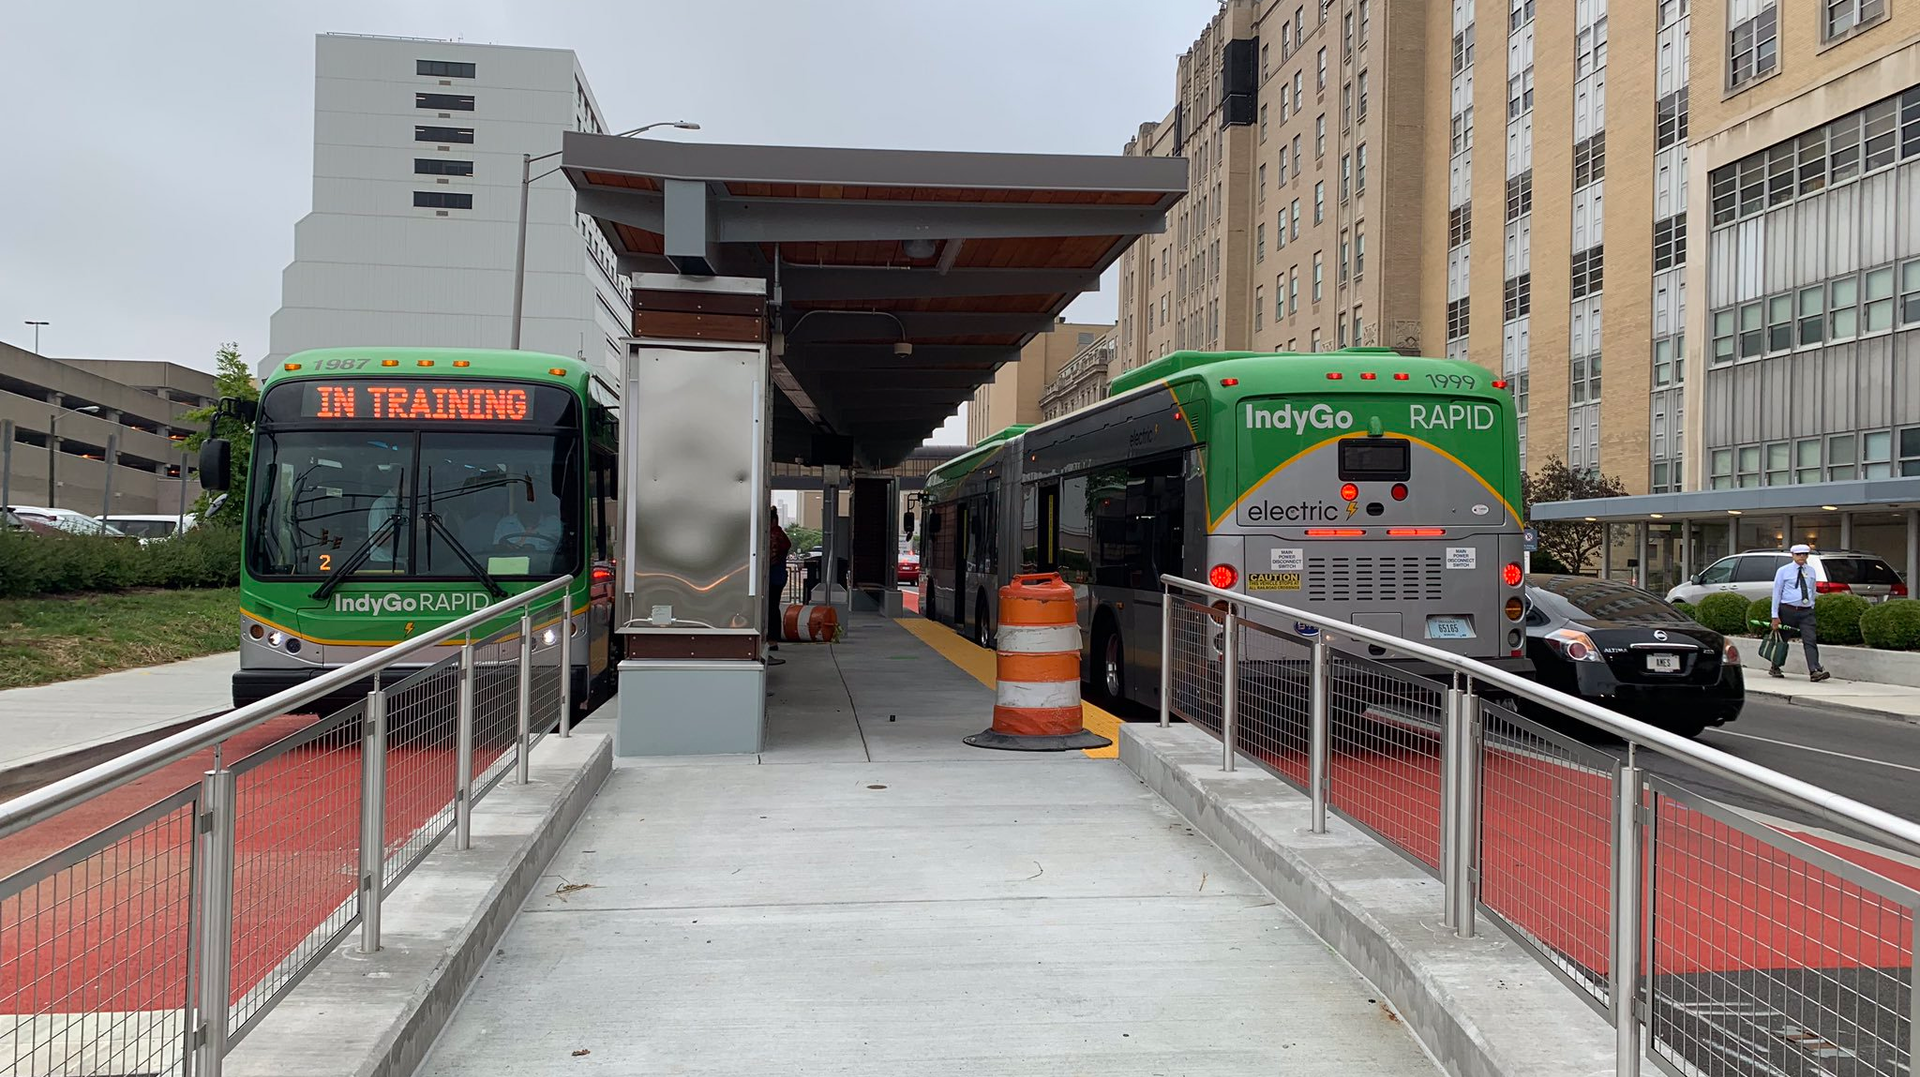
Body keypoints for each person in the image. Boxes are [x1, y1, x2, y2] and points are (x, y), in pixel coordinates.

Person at [1769, 544, 1831, 682]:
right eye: (1799, 554)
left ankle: (1814, 670)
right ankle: (1775, 666)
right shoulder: (1783, 571)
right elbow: (1777, 593)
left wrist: (1811, 605)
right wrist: (1775, 615)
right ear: (1793, 555)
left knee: (1810, 640)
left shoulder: (1811, 571)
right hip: (1788, 610)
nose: (1802, 557)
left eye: (1805, 554)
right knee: (1782, 640)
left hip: (1806, 611)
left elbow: (1812, 589)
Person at [768, 506, 791, 658]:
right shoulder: (780, 535)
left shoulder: (773, 536)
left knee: (770, 608)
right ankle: (773, 639)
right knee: (773, 607)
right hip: (779, 577)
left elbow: (770, 558)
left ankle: (771, 639)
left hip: (772, 577)